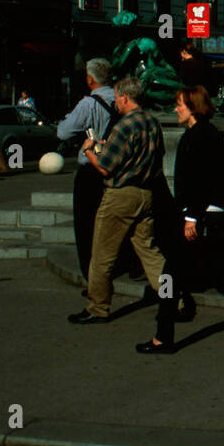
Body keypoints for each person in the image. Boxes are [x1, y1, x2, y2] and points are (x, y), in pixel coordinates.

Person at [138, 85, 224, 355]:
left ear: (192, 106)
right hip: (212, 218)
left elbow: (203, 183)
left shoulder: (198, 137)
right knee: (221, 277)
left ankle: (163, 337)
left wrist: (190, 217)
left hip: (202, 219)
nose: (175, 108)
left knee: (172, 275)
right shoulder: (207, 134)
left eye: (179, 104)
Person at [68, 77, 169, 324]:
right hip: (146, 194)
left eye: (116, 97)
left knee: (101, 256)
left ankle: (97, 308)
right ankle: (174, 299)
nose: (115, 102)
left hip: (120, 196)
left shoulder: (124, 125)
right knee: (150, 253)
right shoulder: (152, 122)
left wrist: (90, 149)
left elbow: (105, 168)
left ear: (124, 97)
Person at [56, 59, 128, 280]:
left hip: (91, 170)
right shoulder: (120, 100)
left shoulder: (88, 103)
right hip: (118, 168)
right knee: (115, 223)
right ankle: (121, 264)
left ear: (90, 79)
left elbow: (63, 132)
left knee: (87, 225)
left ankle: (92, 275)